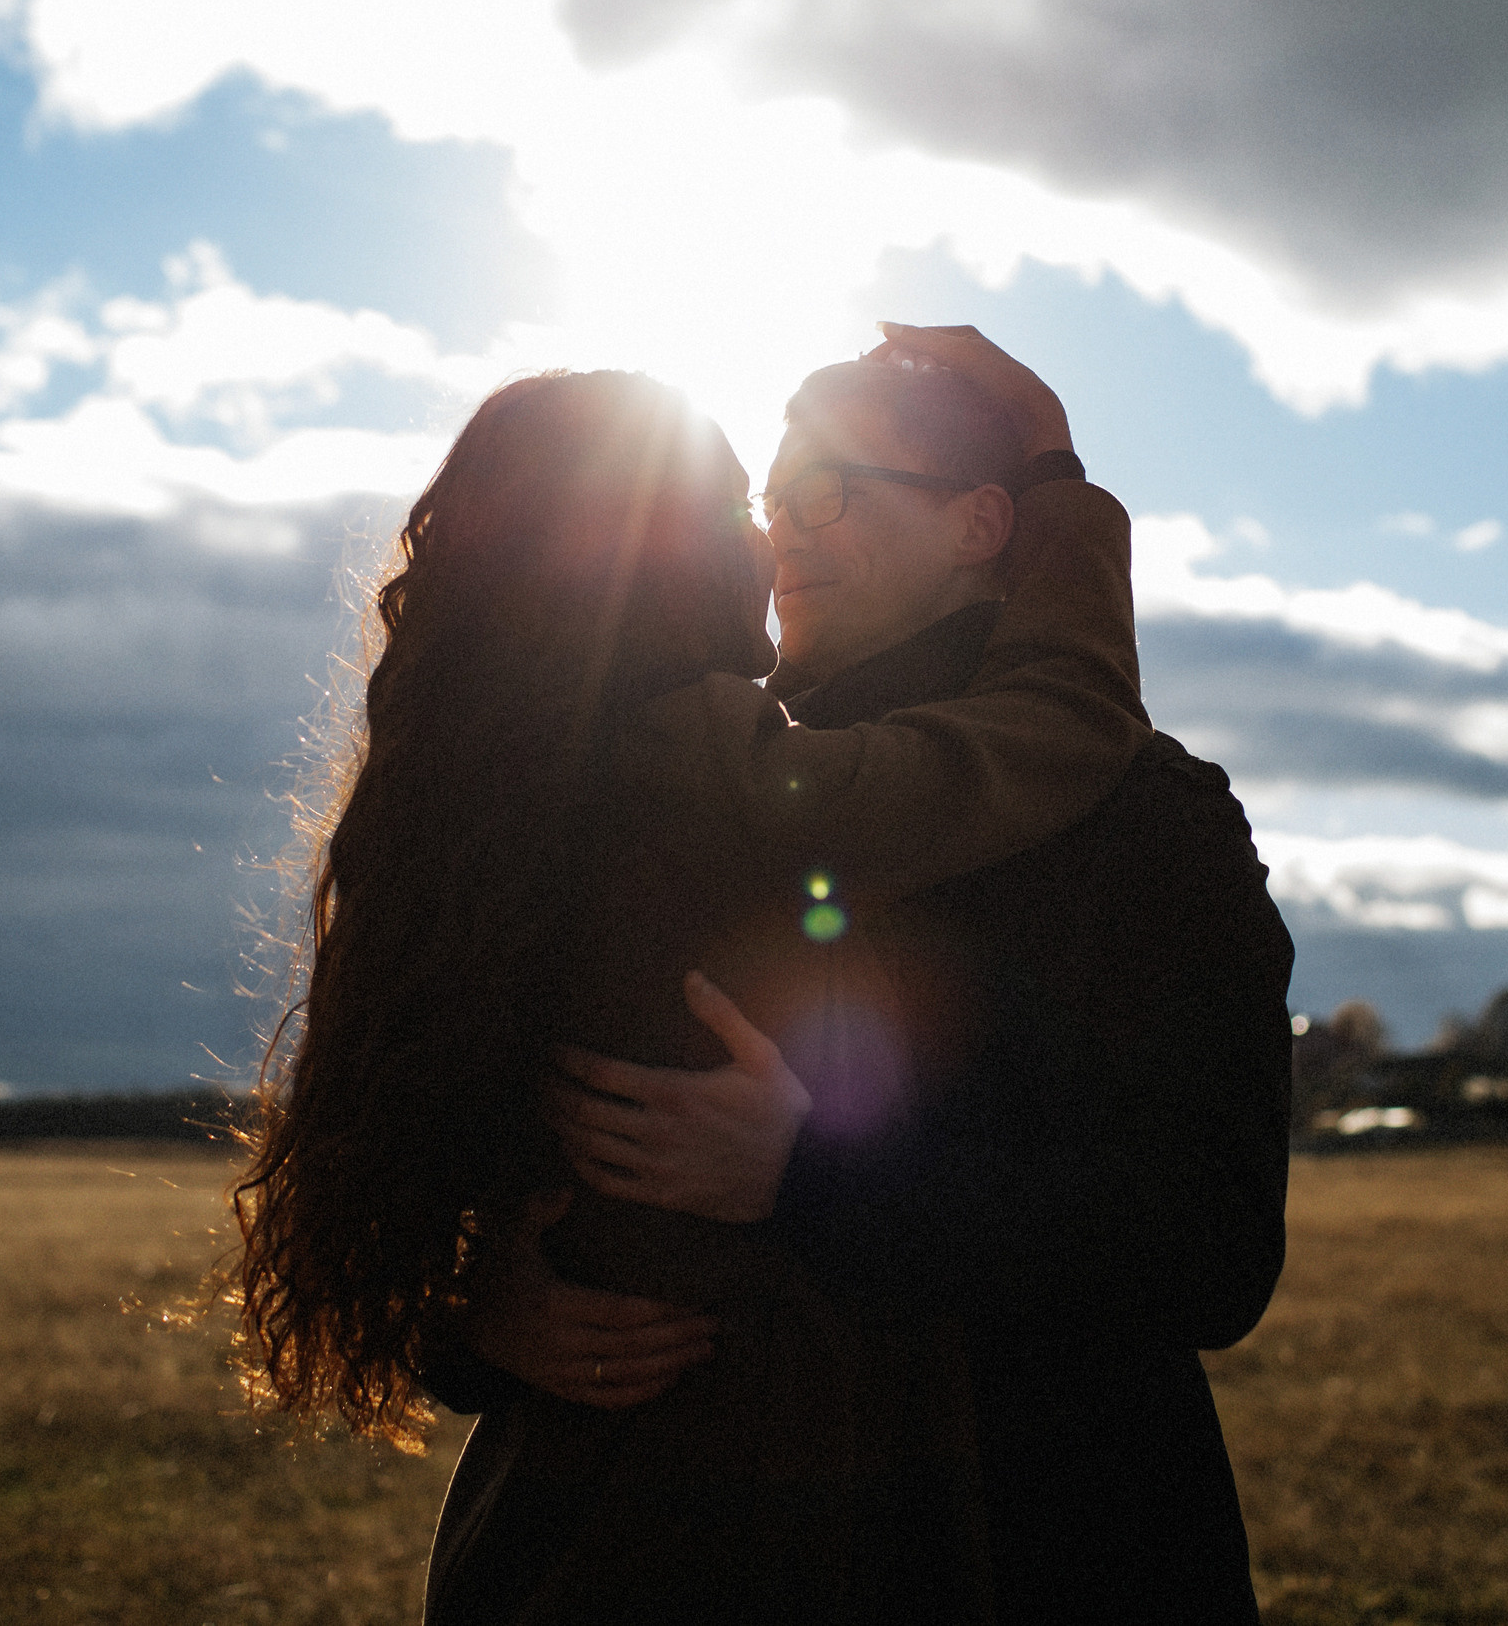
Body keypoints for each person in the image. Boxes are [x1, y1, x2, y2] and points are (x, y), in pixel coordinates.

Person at [230, 350, 1152, 1624]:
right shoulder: (711, 773)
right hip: (734, 1528)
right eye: (737, 509)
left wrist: (479, 1302)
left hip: (540, 1525)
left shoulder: (472, 808)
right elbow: (1062, 719)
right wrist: (1057, 486)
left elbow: (423, 1162)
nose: (769, 544)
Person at [496, 325, 1296, 1624]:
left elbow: (1209, 1249)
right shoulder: (672, 773)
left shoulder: (1147, 817)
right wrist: (477, 1302)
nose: (778, 536)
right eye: (767, 501)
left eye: (829, 491)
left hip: (1037, 1549)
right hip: (651, 1548)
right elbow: (463, 1106)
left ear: (983, 521)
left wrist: (814, 1175)